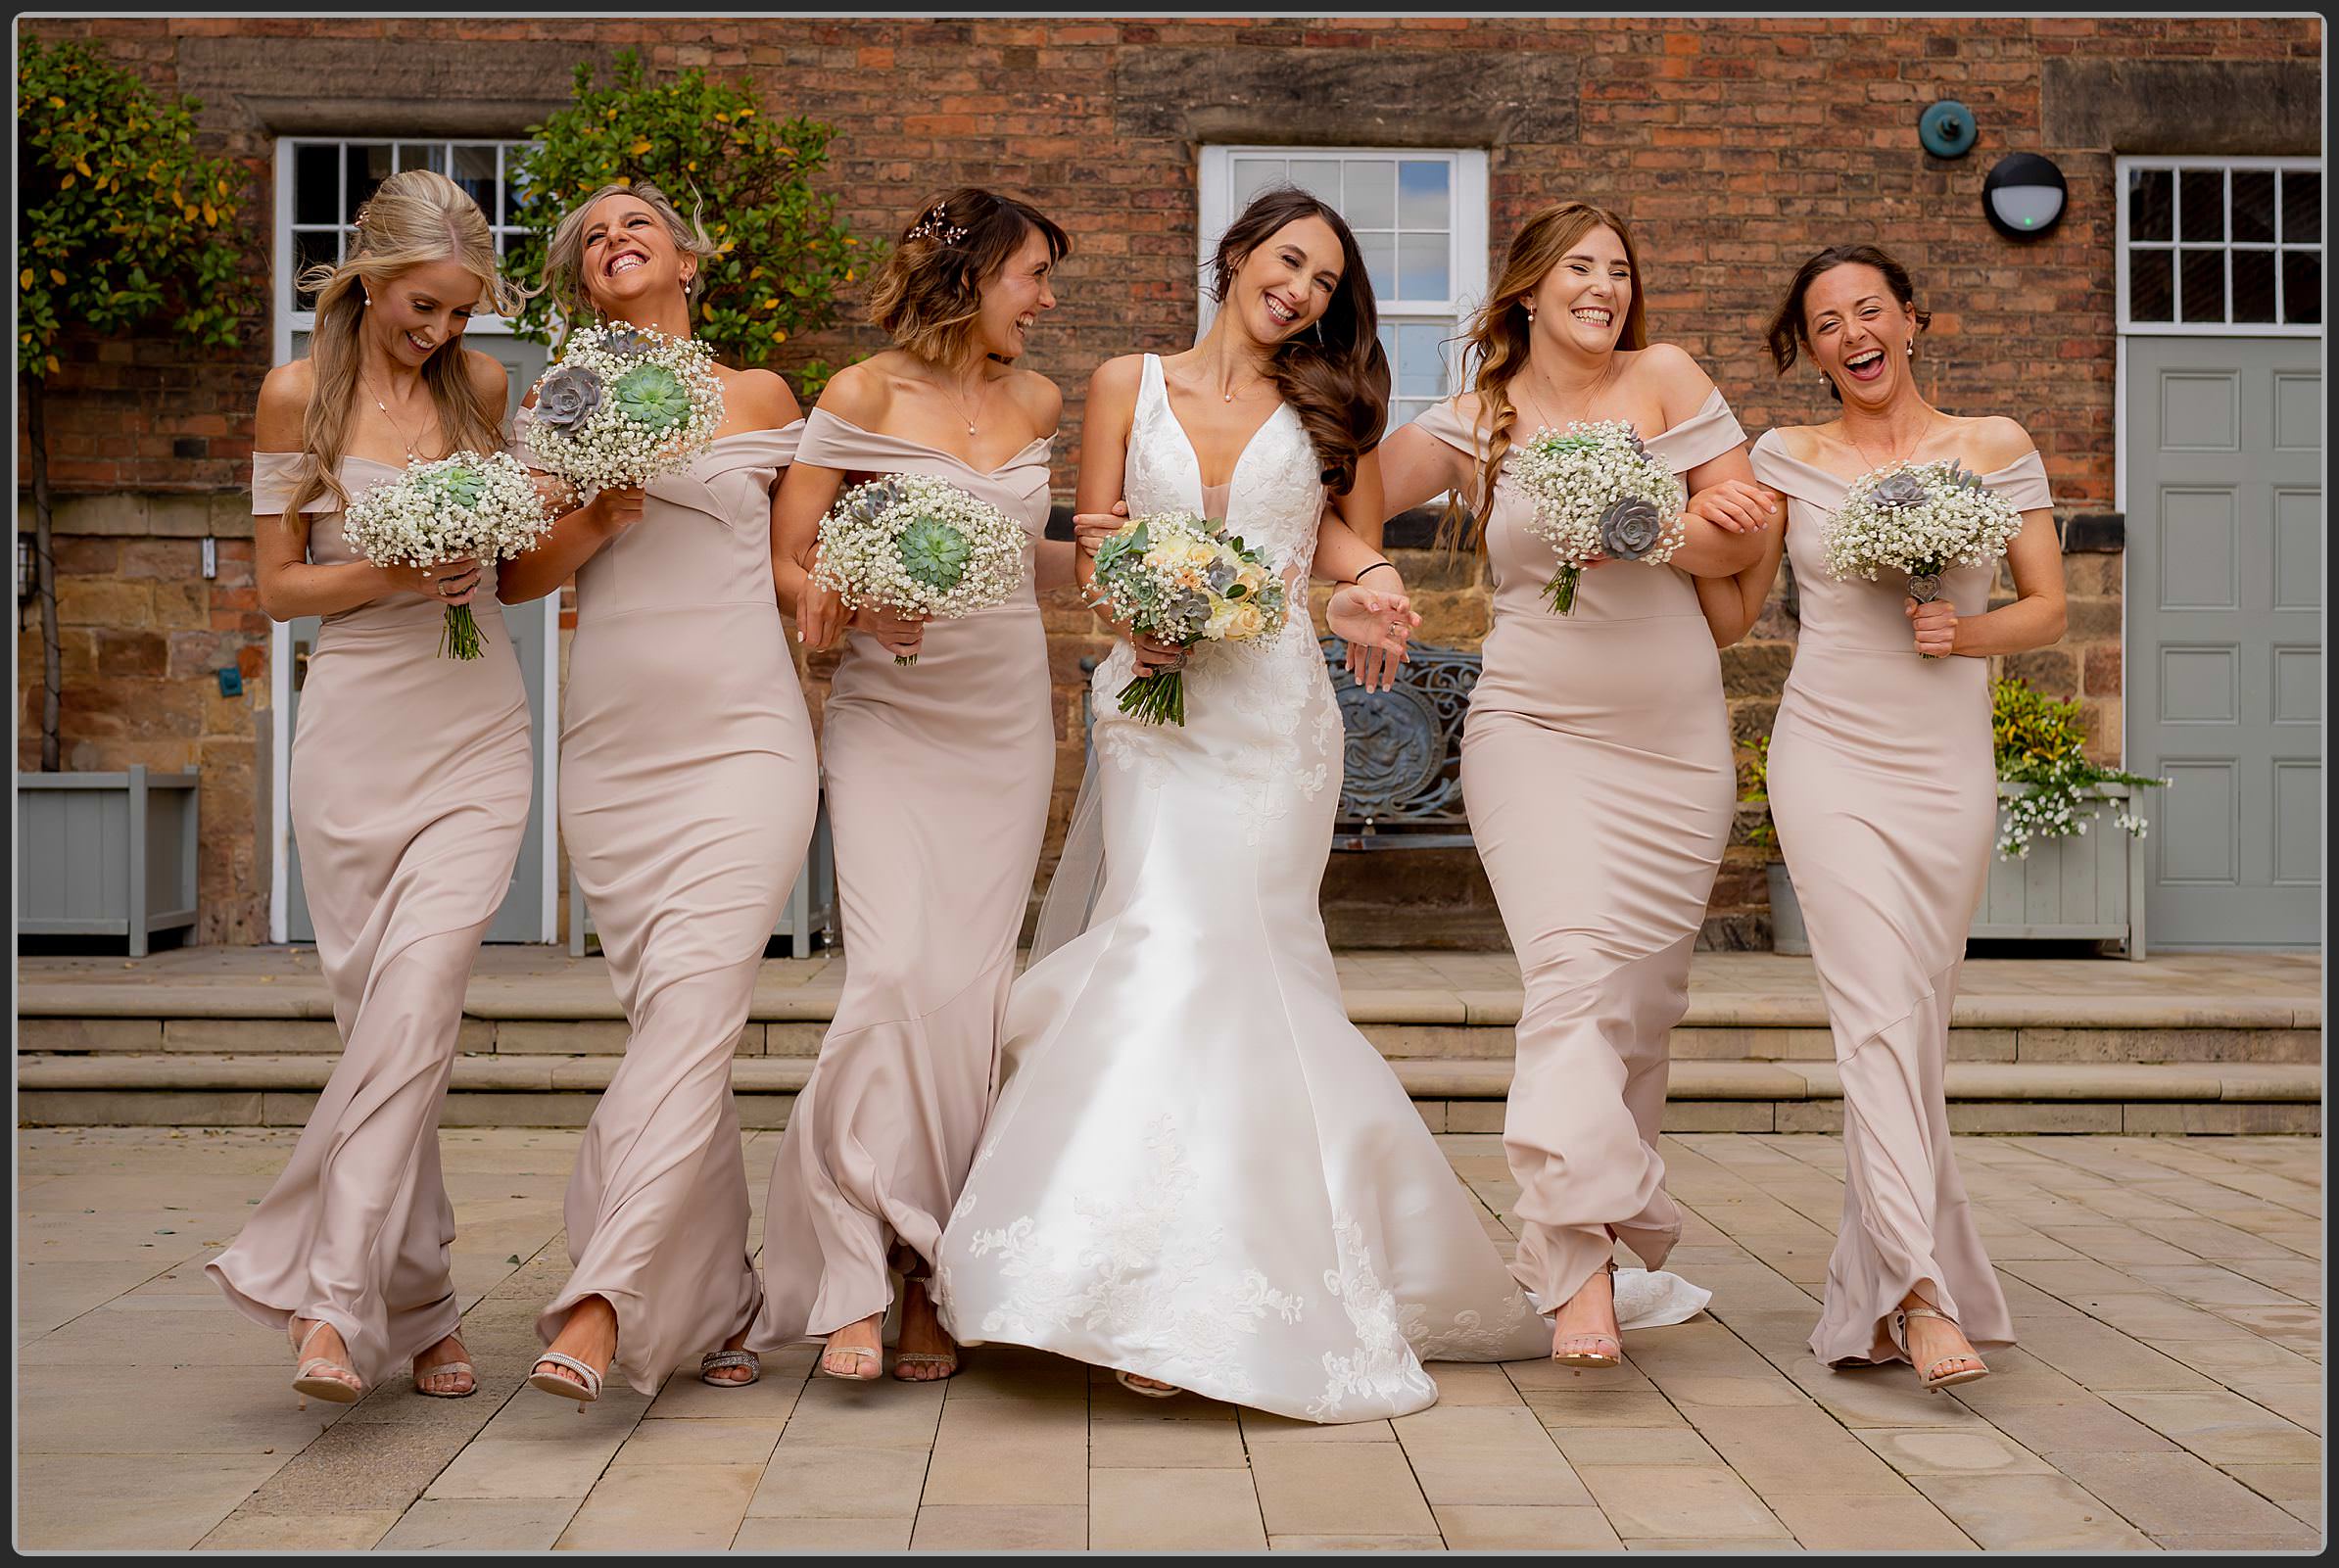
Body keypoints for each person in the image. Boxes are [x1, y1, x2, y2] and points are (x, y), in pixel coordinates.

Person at [931, 186, 1552, 1422]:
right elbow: (1101, 536)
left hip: (1271, 716)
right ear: (1234, 255)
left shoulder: (1322, 403)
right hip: (1154, 700)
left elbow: (1335, 539)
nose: (1303, 291)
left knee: (1239, 962)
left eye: (1325, 281)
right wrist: (1130, 621)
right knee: (1165, 943)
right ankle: (1124, 1268)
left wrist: (1371, 585)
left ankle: (1206, 1278)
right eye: (1288, 261)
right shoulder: (1126, 380)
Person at [1374, 201, 1770, 1369]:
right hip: (1535, 722)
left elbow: (1739, 543)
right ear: (1528, 291)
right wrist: (1359, 574)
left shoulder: (1667, 378)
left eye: (1619, 268)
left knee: (1641, 1004)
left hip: (1674, 736)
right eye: (1579, 267)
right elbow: (1340, 490)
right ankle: (1572, 1260)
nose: (1604, 284)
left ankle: (1596, 1212)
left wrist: (1640, 522)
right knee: (1573, 974)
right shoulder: (1473, 423)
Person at [1707, 242, 2067, 1389]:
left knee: (1914, 1024)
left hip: (1945, 762)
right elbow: (1735, 593)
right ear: (1810, 349)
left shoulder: (1993, 445)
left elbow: (2048, 606)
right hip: (1828, 756)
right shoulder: (1787, 457)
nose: (1854, 333)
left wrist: (1966, 631)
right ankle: (1919, 1291)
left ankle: (1870, 1291)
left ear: (1914, 319)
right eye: (1826, 322)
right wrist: (1642, 534)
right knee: (1869, 1012)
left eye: (1871, 310)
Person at [210, 167, 527, 1405]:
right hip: (352, 733)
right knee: (384, 1033)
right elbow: (281, 588)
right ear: (369, 278)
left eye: (460, 312)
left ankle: (330, 1303)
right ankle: (428, 1303)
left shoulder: (484, 388)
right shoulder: (297, 394)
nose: (444, 333)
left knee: (422, 998)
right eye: (425, 307)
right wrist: (404, 570)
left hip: (476, 726)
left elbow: (506, 555)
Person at [500, 179, 816, 1403]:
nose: (612, 240)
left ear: (689, 258)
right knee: (669, 1018)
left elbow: (808, 555)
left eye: (636, 225)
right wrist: (598, 511)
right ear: (585, 282)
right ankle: (722, 1297)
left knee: (696, 1009)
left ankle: (603, 1293)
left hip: (745, 734)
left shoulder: (762, 398)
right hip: (616, 742)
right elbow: (522, 576)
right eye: (592, 239)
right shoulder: (562, 398)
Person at [749, 189, 1072, 1384]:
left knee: (972, 996)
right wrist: (844, 600)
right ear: (972, 277)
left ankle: (933, 1272)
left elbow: (1030, 551)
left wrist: (1142, 562)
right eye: (1033, 276)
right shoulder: (859, 395)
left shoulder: (1039, 399)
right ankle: (847, 1265)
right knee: (889, 972)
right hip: (892, 715)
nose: (1044, 302)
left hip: (1004, 718)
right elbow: (790, 559)